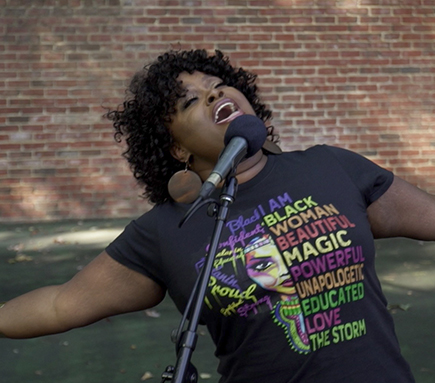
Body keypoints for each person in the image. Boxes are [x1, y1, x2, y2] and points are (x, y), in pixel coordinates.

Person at [1, 49, 435, 383]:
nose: (215, 92)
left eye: (218, 83)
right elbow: (62, 304)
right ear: (176, 149)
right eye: (190, 101)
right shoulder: (166, 230)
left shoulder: (331, 167)